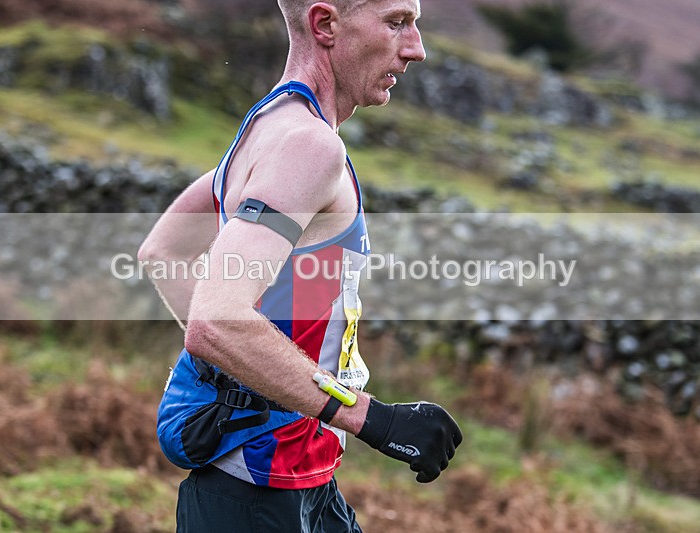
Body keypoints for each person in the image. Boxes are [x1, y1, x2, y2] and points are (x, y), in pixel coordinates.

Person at [138, 0, 462, 531]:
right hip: (254, 497)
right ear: (325, 24)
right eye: (397, 22)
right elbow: (216, 320)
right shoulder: (309, 147)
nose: (416, 49)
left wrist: (244, 380)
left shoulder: (270, 128)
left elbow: (163, 251)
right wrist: (372, 418)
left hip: (295, 483)